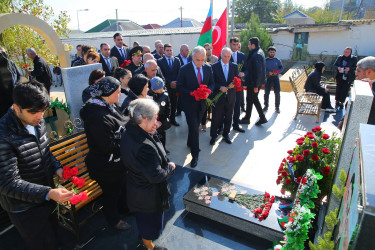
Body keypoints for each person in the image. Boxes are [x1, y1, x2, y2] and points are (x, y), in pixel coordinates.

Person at [0, 80, 74, 249]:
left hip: (45, 196)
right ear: (16, 107)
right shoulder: (4, 134)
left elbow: (44, 151)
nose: (40, 116)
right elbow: (7, 183)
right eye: (33, 112)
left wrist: (57, 168)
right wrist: (48, 192)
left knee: (53, 238)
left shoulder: (36, 121)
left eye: (42, 111)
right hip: (24, 208)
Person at [120, 98, 175, 250]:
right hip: (148, 194)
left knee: (143, 220)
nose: (157, 121)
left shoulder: (131, 128)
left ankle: (145, 237)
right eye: (155, 118)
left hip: (136, 186)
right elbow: (156, 175)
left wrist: (153, 131)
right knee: (150, 223)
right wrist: (170, 167)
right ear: (145, 119)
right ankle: (148, 246)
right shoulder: (144, 147)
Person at [80, 76, 131, 231]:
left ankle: (124, 209)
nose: (120, 95)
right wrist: (130, 143)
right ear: (107, 94)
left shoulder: (107, 105)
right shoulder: (97, 115)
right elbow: (107, 145)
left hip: (117, 162)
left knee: (122, 187)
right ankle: (113, 220)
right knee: (111, 194)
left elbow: (121, 122)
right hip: (104, 166)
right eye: (117, 92)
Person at [177, 46, 214, 168]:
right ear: (192, 57)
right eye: (197, 59)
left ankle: (190, 141)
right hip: (189, 103)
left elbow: (212, 84)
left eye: (202, 60)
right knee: (194, 127)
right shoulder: (184, 69)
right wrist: (192, 92)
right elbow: (179, 87)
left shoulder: (208, 68)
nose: (200, 62)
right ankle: (195, 154)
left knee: (195, 125)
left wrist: (208, 91)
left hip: (202, 103)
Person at [210, 48, 238, 145]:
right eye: (225, 56)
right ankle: (213, 136)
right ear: (221, 55)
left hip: (230, 96)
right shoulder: (214, 67)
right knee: (216, 117)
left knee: (229, 116)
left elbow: (237, 79)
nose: (226, 58)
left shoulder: (234, 66)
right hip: (218, 96)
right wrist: (219, 87)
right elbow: (212, 82)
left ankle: (226, 134)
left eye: (228, 56)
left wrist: (234, 84)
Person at [239, 37, 268, 126]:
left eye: (249, 44)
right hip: (253, 81)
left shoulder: (257, 55)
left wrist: (256, 86)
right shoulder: (258, 52)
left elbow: (258, 72)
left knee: (253, 99)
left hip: (254, 82)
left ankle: (259, 118)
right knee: (251, 99)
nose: (248, 46)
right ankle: (249, 117)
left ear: (253, 45)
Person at [157, 43, 181, 126]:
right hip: (166, 87)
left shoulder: (177, 60)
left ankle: (173, 119)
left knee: (174, 104)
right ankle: (165, 120)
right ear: (164, 51)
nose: (169, 52)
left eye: (171, 50)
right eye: (167, 50)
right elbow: (161, 75)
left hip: (175, 87)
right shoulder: (160, 61)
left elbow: (180, 73)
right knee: (166, 104)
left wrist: (176, 82)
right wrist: (169, 82)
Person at [229, 37, 246, 133]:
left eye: (237, 44)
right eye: (233, 44)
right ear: (230, 44)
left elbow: (246, 69)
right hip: (228, 85)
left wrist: (243, 73)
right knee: (227, 105)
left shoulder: (242, 56)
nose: (235, 46)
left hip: (239, 84)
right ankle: (223, 125)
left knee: (237, 104)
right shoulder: (225, 54)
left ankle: (236, 124)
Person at [150, 77, 171, 151]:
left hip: (161, 121)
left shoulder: (165, 95)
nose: (162, 88)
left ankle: (163, 149)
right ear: (153, 89)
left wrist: (161, 121)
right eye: (160, 87)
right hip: (152, 122)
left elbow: (168, 109)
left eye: (162, 86)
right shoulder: (149, 96)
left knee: (162, 136)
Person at [0, 47, 22, 118]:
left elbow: (19, 76)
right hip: (3, 97)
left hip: (14, 94)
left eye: (4, 53)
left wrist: (16, 85)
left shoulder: (11, 63)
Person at [264, 46, 284, 113]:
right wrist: (267, 73)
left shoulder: (277, 60)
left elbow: (281, 68)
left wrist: (277, 71)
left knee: (277, 93)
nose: (272, 53)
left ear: (275, 52)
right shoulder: (265, 61)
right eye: (271, 52)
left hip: (276, 78)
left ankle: (277, 107)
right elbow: (263, 69)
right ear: (268, 52)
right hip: (268, 78)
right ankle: (266, 106)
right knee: (266, 93)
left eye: (273, 52)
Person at [356, 56, 375, 125]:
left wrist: (369, 91)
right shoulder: (364, 84)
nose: (356, 74)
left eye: (359, 71)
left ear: (369, 72)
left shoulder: (369, 85)